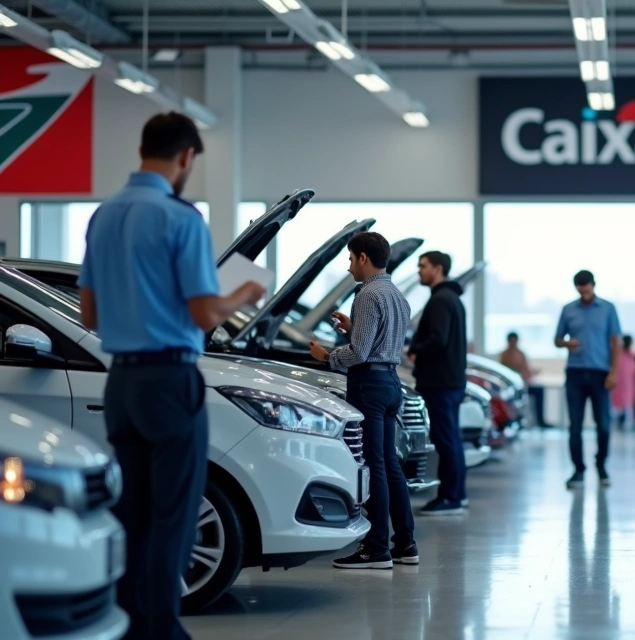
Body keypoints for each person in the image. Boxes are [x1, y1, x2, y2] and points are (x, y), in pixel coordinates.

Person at [77, 112, 266, 639]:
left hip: (121, 384)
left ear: (144, 149)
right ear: (185, 158)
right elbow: (205, 314)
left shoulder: (104, 215)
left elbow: (90, 315)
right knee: (175, 514)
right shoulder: (181, 219)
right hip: (169, 378)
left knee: (130, 512)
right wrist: (245, 294)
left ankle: (128, 624)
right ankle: (160, 629)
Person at [310, 231, 417, 568]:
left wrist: (326, 356)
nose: (348, 267)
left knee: (375, 467)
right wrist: (353, 327)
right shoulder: (397, 295)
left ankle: (376, 549)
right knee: (390, 465)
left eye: (350, 258)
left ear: (363, 258)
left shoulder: (367, 294)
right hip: (390, 381)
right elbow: (379, 340)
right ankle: (406, 545)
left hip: (368, 383)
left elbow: (359, 353)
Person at [408, 250, 469, 515]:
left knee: (446, 440)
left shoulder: (440, 300)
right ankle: (457, 494)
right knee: (451, 438)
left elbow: (438, 340)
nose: (419, 270)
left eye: (423, 266)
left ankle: (450, 498)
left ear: (438, 268)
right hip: (450, 381)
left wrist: (414, 348)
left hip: (440, 382)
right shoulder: (452, 298)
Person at [555, 270, 622, 489]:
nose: (584, 291)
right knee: (575, 426)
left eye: (586, 287)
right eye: (580, 288)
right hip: (575, 372)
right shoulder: (568, 310)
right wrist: (567, 343)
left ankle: (601, 465)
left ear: (593, 285)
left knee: (603, 424)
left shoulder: (608, 309)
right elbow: (557, 339)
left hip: (600, 373)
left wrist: (613, 371)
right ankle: (578, 470)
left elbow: (616, 341)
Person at [500, 332, 549, 428]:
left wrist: (531, 373)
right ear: (509, 341)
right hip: (512, 387)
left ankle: (540, 420)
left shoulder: (521, 354)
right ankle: (514, 421)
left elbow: (526, 370)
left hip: (524, 384)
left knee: (539, 390)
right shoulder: (505, 355)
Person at [611, 335, 635, 430]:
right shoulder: (627, 357)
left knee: (622, 411)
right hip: (623, 390)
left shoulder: (624, 356)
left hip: (624, 390)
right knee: (622, 410)